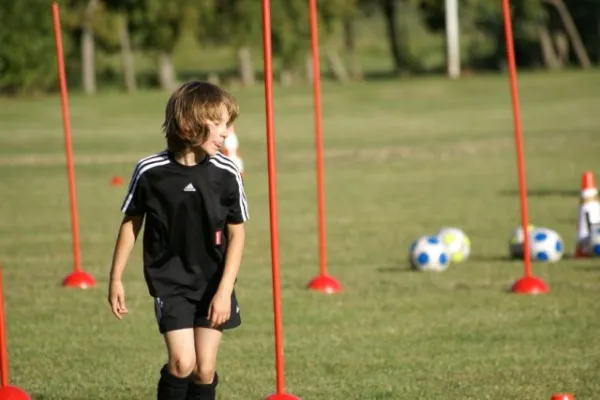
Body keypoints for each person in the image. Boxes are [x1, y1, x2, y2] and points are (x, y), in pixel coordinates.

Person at [107, 81, 249, 400]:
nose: (227, 132)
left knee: (204, 370)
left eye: (229, 124)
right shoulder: (150, 172)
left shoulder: (226, 173)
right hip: (169, 282)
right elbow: (131, 223)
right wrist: (116, 278)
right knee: (183, 363)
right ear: (188, 125)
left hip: (214, 283)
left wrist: (225, 290)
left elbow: (237, 232)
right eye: (220, 124)